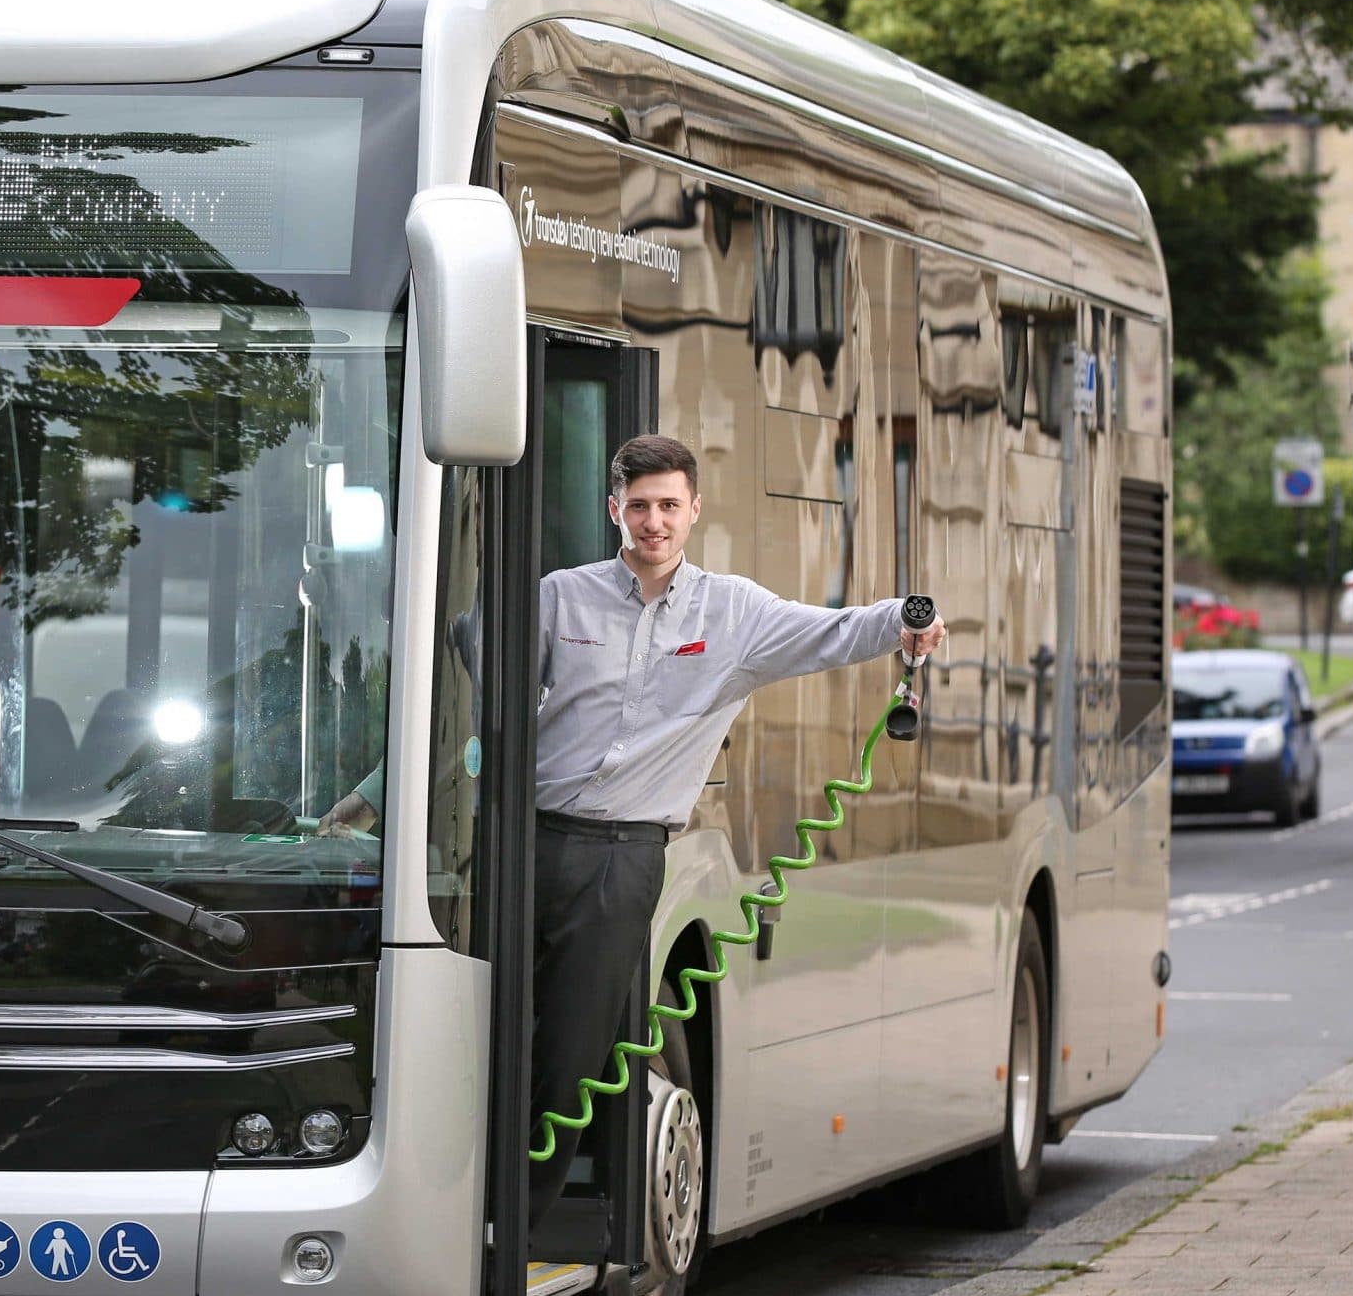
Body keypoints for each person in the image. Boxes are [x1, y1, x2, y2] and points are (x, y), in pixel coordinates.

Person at [320, 433, 945, 1232]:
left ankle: (506, 1231)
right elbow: (481, 717)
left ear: (694, 512)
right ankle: (433, 1213)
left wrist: (908, 622)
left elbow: (836, 630)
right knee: (475, 1031)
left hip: (622, 863)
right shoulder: (558, 597)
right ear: (614, 509)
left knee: (572, 1057)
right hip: (519, 844)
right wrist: (381, 795)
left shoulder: (736, 614)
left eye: (669, 507)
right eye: (640, 506)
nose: (654, 522)